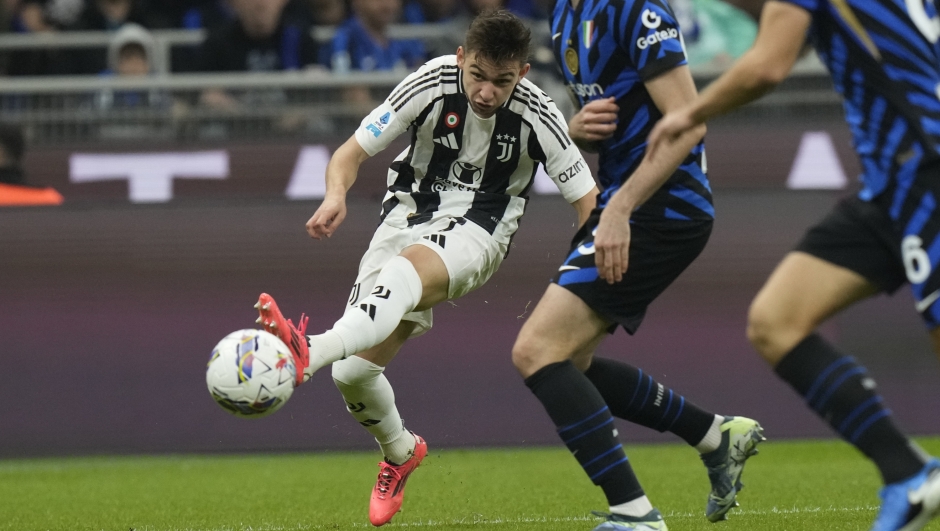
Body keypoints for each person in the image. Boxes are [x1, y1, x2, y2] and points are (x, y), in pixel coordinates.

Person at [254, 9, 599, 527]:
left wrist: (589, 281)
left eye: (502, 81)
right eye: (478, 74)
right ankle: (400, 451)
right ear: (462, 58)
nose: (486, 91)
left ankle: (308, 349)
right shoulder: (431, 81)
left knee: (399, 279)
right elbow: (349, 154)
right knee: (354, 373)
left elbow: (588, 205)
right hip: (405, 217)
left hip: (480, 231)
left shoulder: (537, 112)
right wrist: (335, 195)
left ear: (522, 74)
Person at [647, 1, 940, 530]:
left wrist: (688, 112)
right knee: (777, 320)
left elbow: (766, 65)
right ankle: (907, 474)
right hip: (889, 192)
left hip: (928, 173)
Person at [509, 0, 765, 529]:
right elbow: (609, 113)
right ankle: (715, 435)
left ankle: (636, 515)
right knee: (568, 363)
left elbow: (689, 124)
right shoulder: (562, 14)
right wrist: (576, 131)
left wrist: (621, 207)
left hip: (663, 208)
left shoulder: (636, 8)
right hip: (623, 205)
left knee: (537, 350)